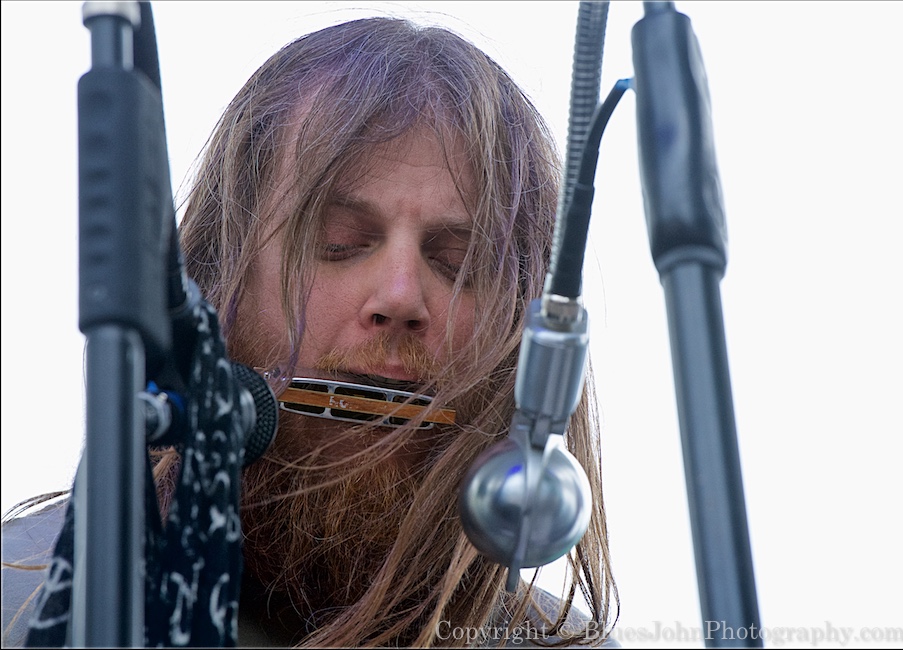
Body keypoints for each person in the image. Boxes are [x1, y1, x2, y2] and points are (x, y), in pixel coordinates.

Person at [2, 14, 619, 648]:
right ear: (215, 284)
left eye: (458, 265)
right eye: (339, 243)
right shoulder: (21, 606)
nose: (401, 297)